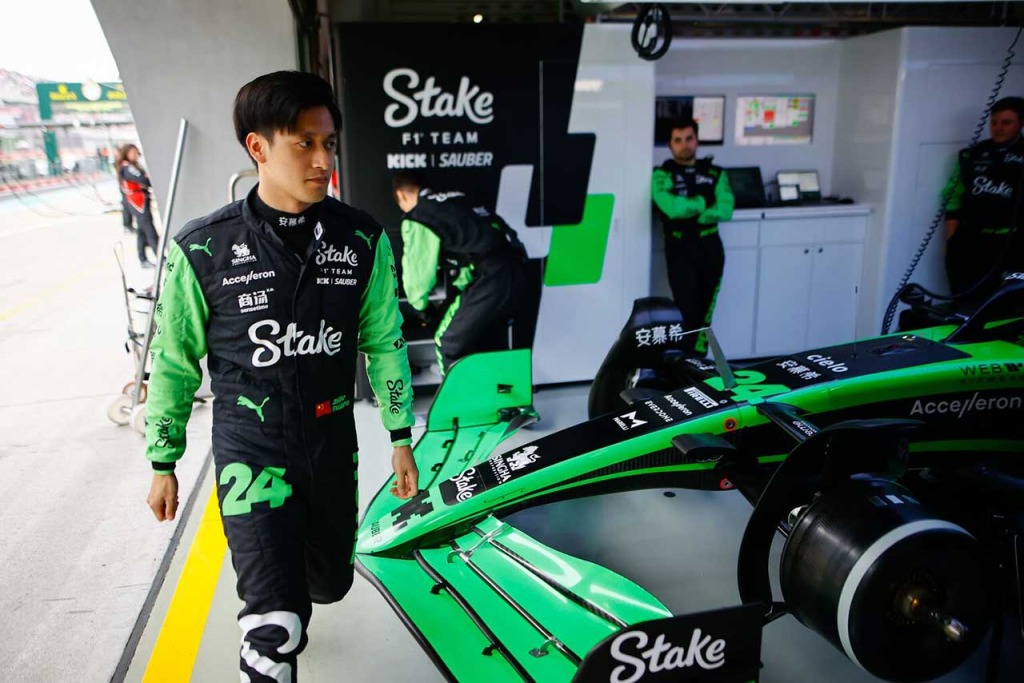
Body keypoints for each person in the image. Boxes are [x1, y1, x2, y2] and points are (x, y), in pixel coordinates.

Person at [143, 70, 418, 682]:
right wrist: (163, 460)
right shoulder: (202, 249)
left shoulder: (362, 237)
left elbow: (384, 341)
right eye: (304, 143)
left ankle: (295, 600)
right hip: (251, 448)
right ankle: (272, 636)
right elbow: (173, 362)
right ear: (258, 148)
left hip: (330, 443)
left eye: (329, 143)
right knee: (274, 616)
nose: (323, 160)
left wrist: (401, 436)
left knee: (329, 582)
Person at [392, 172, 527, 375]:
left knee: (447, 342)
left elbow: (418, 278)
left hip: (491, 277)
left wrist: (421, 306)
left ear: (401, 195)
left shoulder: (420, 216)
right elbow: (480, 243)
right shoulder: (459, 199)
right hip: (517, 269)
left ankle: (462, 395)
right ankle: (504, 393)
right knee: (489, 343)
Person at [651, 118, 734, 355]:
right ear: (670, 144)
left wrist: (691, 212)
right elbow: (671, 208)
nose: (684, 145)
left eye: (689, 138)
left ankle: (698, 361)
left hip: (710, 247)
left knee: (706, 312)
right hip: (679, 248)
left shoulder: (716, 173)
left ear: (696, 140)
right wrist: (702, 201)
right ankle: (685, 361)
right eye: (678, 140)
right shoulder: (662, 174)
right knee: (686, 310)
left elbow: (725, 209)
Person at [943, 96, 1024, 300]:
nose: (998, 128)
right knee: (964, 299)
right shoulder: (973, 154)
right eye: (994, 122)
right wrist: (952, 238)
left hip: (1012, 242)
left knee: (1006, 303)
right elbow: (953, 196)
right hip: (971, 239)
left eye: (1006, 123)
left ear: (1021, 124)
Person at [117, 143, 158, 266]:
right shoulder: (127, 167)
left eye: (136, 153)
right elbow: (143, 180)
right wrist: (149, 182)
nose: (135, 155)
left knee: (141, 231)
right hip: (138, 202)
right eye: (132, 153)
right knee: (149, 229)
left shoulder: (131, 166)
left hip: (139, 200)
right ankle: (160, 255)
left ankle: (143, 259)